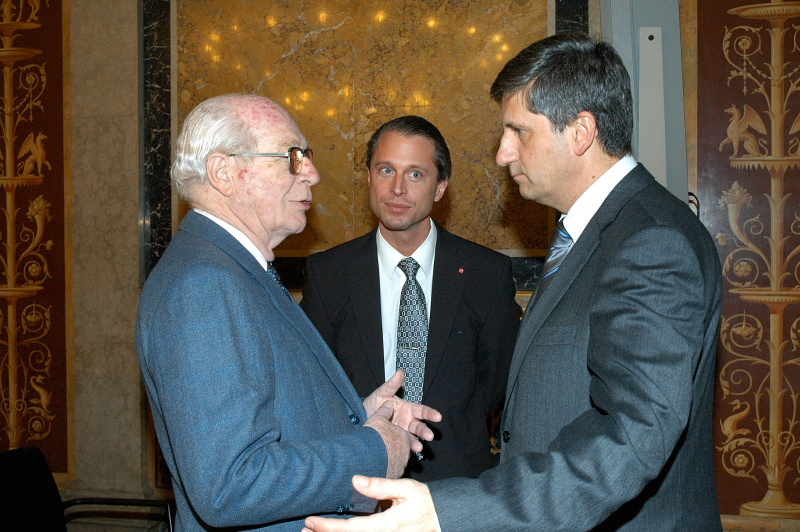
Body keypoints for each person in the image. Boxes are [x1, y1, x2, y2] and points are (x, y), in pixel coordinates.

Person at [303, 32, 723, 532]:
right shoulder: (593, 233)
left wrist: (449, 511)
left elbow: (632, 433)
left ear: (581, 132)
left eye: (518, 131)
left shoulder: (650, 240)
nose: (502, 154)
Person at [135, 94, 441, 531]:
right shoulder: (202, 285)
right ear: (223, 172)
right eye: (292, 157)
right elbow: (229, 486)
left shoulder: (240, 270)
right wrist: (372, 448)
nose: (312, 174)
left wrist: (359, 414)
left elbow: (270, 416)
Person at [300, 116, 521, 481]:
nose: (397, 188)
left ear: (440, 187)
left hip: (457, 485)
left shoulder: (487, 274)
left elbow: (495, 382)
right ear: (369, 177)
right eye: (385, 170)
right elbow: (314, 385)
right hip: (360, 477)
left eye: (415, 174)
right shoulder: (328, 274)